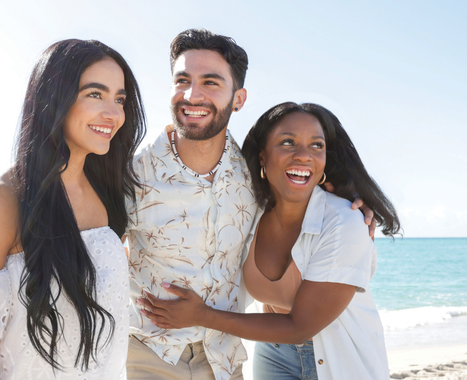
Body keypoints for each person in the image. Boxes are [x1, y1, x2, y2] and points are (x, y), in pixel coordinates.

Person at [125, 29, 376, 380]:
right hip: (151, 353)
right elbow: (92, 252)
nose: (193, 95)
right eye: (183, 80)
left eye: (211, 82)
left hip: (224, 361)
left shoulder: (252, 180)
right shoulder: (131, 174)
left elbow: (302, 181)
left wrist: (352, 200)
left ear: (238, 98)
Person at [139, 102, 400, 380]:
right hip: (274, 352)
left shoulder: (344, 223)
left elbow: (299, 327)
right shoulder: (249, 211)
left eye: (316, 146)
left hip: (338, 357)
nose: (303, 156)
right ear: (263, 156)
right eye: (288, 142)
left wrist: (200, 315)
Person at [0, 39, 146, 380]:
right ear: (54, 99)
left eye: (119, 99)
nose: (114, 113)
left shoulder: (108, 193)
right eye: (95, 94)